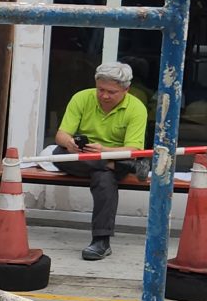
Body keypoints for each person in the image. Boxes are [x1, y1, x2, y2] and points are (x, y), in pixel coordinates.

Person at [53, 61, 147, 260]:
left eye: (111, 92)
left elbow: (133, 149)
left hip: (115, 155)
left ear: (126, 89)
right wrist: (70, 143)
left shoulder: (137, 108)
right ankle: (120, 168)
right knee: (58, 154)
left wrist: (105, 151)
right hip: (90, 157)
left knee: (104, 178)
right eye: (100, 89)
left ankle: (101, 242)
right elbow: (61, 135)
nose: (104, 96)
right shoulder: (81, 97)